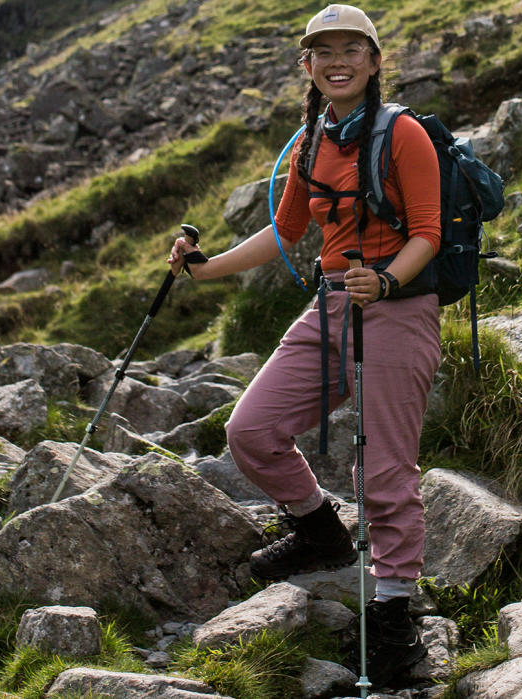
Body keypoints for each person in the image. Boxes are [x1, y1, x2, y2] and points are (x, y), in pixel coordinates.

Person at [168, 3, 441, 686]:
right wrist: (205, 269)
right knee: (251, 428)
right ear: (308, 65)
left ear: (375, 62)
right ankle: (319, 531)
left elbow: (429, 233)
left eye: (353, 49)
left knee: (383, 472)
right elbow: (285, 230)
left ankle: (396, 617)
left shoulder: (403, 135)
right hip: (331, 305)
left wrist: (384, 280)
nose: (338, 61)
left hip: (399, 308)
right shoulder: (311, 141)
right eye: (324, 51)